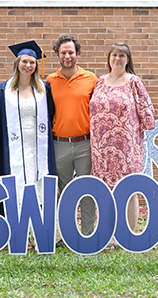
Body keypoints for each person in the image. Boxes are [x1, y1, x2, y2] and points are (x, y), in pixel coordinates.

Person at [89, 42, 155, 248]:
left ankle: (129, 234)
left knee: (128, 189)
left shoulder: (133, 81)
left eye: (122, 56)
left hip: (127, 147)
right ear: (108, 58)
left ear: (128, 60)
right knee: (104, 189)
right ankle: (108, 235)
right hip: (100, 147)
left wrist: (135, 137)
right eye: (114, 55)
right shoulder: (100, 82)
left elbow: (147, 114)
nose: (117, 59)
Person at [0, 40, 56, 218]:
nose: (28, 65)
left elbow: (50, 114)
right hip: (12, 147)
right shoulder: (1, 91)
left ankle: (38, 229)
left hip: (38, 146)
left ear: (36, 65)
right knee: (16, 182)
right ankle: (19, 230)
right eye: (24, 61)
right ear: (17, 63)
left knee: (37, 181)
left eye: (32, 62)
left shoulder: (44, 89)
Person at [46, 35, 97, 238]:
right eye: (63, 52)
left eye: (71, 52)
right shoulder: (49, 81)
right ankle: (67, 235)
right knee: (64, 192)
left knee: (86, 189)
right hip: (60, 144)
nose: (67, 56)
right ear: (57, 54)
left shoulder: (91, 79)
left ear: (78, 54)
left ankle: (87, 234)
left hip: (85, 143)